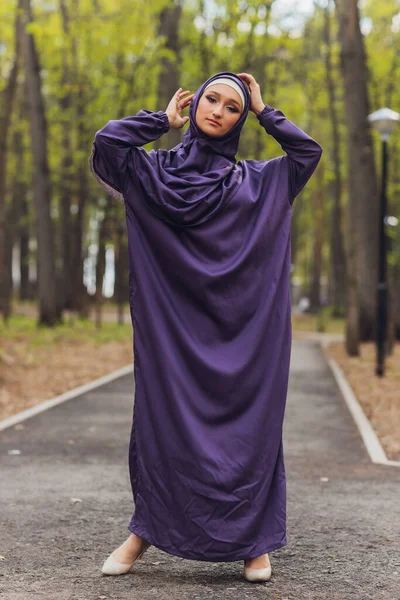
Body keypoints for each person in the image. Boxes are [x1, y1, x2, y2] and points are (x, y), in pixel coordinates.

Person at [89, 71, 322, 582]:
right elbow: (107, 143)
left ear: (242, 118)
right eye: (210, 100)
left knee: (250, 432)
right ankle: (143, 532)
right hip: (171, 332)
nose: (218, 110)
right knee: (162, 428)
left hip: (244, 335)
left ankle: (254, 543)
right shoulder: (152, 174)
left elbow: (307, 154)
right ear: (193, 107)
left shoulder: (258, 182)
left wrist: (267, 111)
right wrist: (160, 121)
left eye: (232, 107)